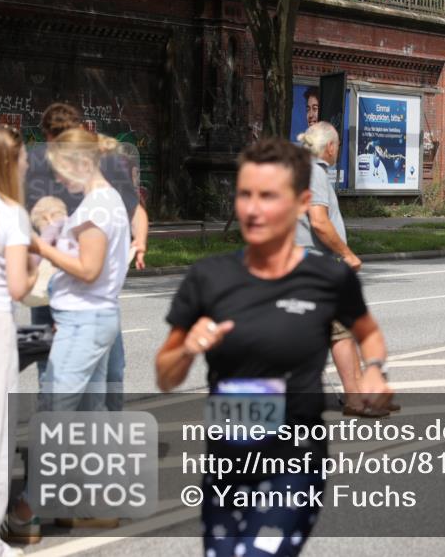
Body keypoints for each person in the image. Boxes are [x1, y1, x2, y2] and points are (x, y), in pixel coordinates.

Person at [156, 138, 393, 557]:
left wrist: (373, 369)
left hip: (295, 462)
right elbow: (165, 375)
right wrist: (188, 349)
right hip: (227, 462)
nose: (252, 209)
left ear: (302, 203)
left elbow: (368, 332)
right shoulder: (209, 277)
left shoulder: (329, 279)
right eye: (245, 194)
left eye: (268, 196)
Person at [24, 103, 148, 416]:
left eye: (62, 171)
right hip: (82, 307)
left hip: (83, 313)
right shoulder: (105, 196)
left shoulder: (97, 204)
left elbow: (88, 269)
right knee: (92, 400)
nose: (60, 179)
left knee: (59, 400)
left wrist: (43, 248)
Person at [296, 122, 389, 418]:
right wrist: (347, 254)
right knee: (341, 332)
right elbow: (319, 221)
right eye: (337, 146)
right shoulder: (314, 171)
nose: (337, 151)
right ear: (330, 147)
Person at [0, 125, 37, 557]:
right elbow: (19, 287)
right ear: (9, 162)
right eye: (22, 157)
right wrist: (37, 268)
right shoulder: (11, 213)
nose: (26, 164)